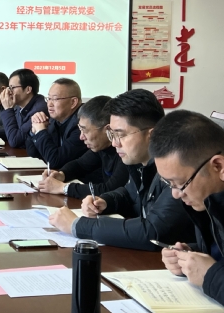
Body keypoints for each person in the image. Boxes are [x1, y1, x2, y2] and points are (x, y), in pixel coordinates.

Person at [48, 89, 195, 251]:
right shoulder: (139, 161)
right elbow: (128, 194)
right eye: (112, 134)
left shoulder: (176, 169)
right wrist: (105, 201)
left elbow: (153, 232)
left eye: (121, 135)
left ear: (151, 135)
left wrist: (77, 225)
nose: (114, 143)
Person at [150, 110, 224, 305]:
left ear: (218, 166)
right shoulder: (209, 201)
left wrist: (210, 275)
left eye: (180, 183)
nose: (176, 194)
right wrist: (191, 256)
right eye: (169, 184)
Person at [37, 96, 129, 199]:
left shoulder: (125, 151)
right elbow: (80, 165)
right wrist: (61, 175)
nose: (81, 137)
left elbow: (110, 189)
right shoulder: (101, 147)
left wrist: (63, 188)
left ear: (107, 129)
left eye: (85, 130)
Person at [0, 68, 47, 148]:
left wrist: (8, 109)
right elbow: (14, 131)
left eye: (12, 88)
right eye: (9, 88)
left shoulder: (39, 110)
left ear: (28, 89)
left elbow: (15, 140)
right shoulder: (21, 107)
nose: (9, 92)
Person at [25, 78, 87, 169]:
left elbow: (55, 161)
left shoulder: (82, 125)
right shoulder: (55, 120)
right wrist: (34, 131)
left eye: (55, 99)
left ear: (73, 102)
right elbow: (33, 154)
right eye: (49, 98)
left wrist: (41, 131)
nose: (49, 104)